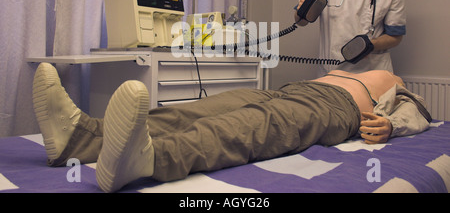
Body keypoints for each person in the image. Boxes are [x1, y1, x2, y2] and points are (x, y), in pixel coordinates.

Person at [31, 62, 430, 193]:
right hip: (287, 89)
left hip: (332, 108)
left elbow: (419, 113)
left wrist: (392, 125)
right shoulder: (343, 67)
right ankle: (82, 137)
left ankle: (150, 159)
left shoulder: (392, 79)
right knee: (198, 110)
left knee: (252, 127)